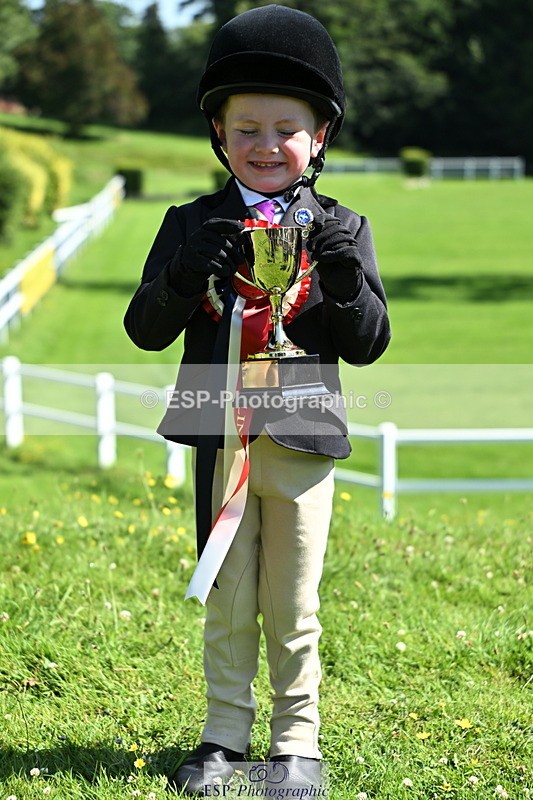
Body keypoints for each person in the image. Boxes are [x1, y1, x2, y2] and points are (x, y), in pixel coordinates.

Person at [124, 5, 390, 795]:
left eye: (285, 128)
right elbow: (143, 328)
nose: (265, 145)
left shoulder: (343, 226)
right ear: (217, 134)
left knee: (293, 597)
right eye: (245, 129)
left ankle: (296, 742)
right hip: (217, 438)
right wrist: (178, 276)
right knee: (228, 593)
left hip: (303, 435)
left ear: (319, 138)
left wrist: (343, 283)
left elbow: (370, 340)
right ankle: (222, 736)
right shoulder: (190, 222)